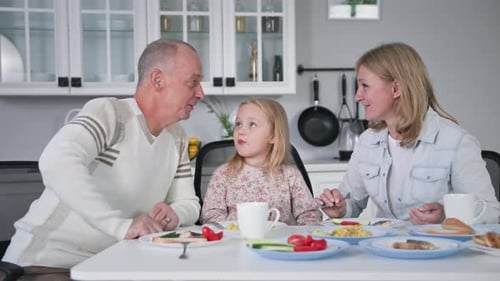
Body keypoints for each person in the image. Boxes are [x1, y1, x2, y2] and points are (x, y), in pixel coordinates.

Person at [2, 39, 204, 276]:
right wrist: (120, 227)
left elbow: (189, 204)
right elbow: (56, 160)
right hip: (47, 264)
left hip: (112, 265)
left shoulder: (177, 136)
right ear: (157, 79)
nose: (200, 93)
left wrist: (175, 214)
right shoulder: (110, 114)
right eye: (193, 83)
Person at [315, 42, 499, 225]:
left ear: (396, 89)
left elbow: (490, 211)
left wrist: (446, 214)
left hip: (436, 249)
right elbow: (353, 203)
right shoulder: (367, 141)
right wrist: (340, 208)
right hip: (382, 248)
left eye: (365, 86)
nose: (357, 96)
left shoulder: (456, 141)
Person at [200, 98, 322, 225]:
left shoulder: (290, 175)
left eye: (252, 124)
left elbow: (309, 214)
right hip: (235, 241)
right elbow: (210, 216)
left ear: (273, 136)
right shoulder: (224, 174)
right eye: (238, 124)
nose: (241, 131)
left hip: (279, 241)